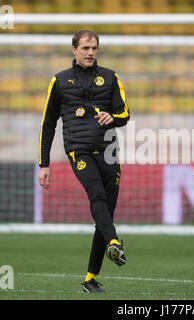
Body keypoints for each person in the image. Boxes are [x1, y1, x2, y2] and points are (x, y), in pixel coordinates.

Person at [38, 30, 130, 293]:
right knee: (97, 195)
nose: (91, 53)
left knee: (105, 215)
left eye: (95, 48)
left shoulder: (111, 78)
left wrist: (112, 117)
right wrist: (44, 164)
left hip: (109, 150)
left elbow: (125, 113)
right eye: (86, 48)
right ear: (74, 50)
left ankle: (91, 278)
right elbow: (48, 123)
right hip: (78, 150)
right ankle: (113, 241)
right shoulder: (59, 81)